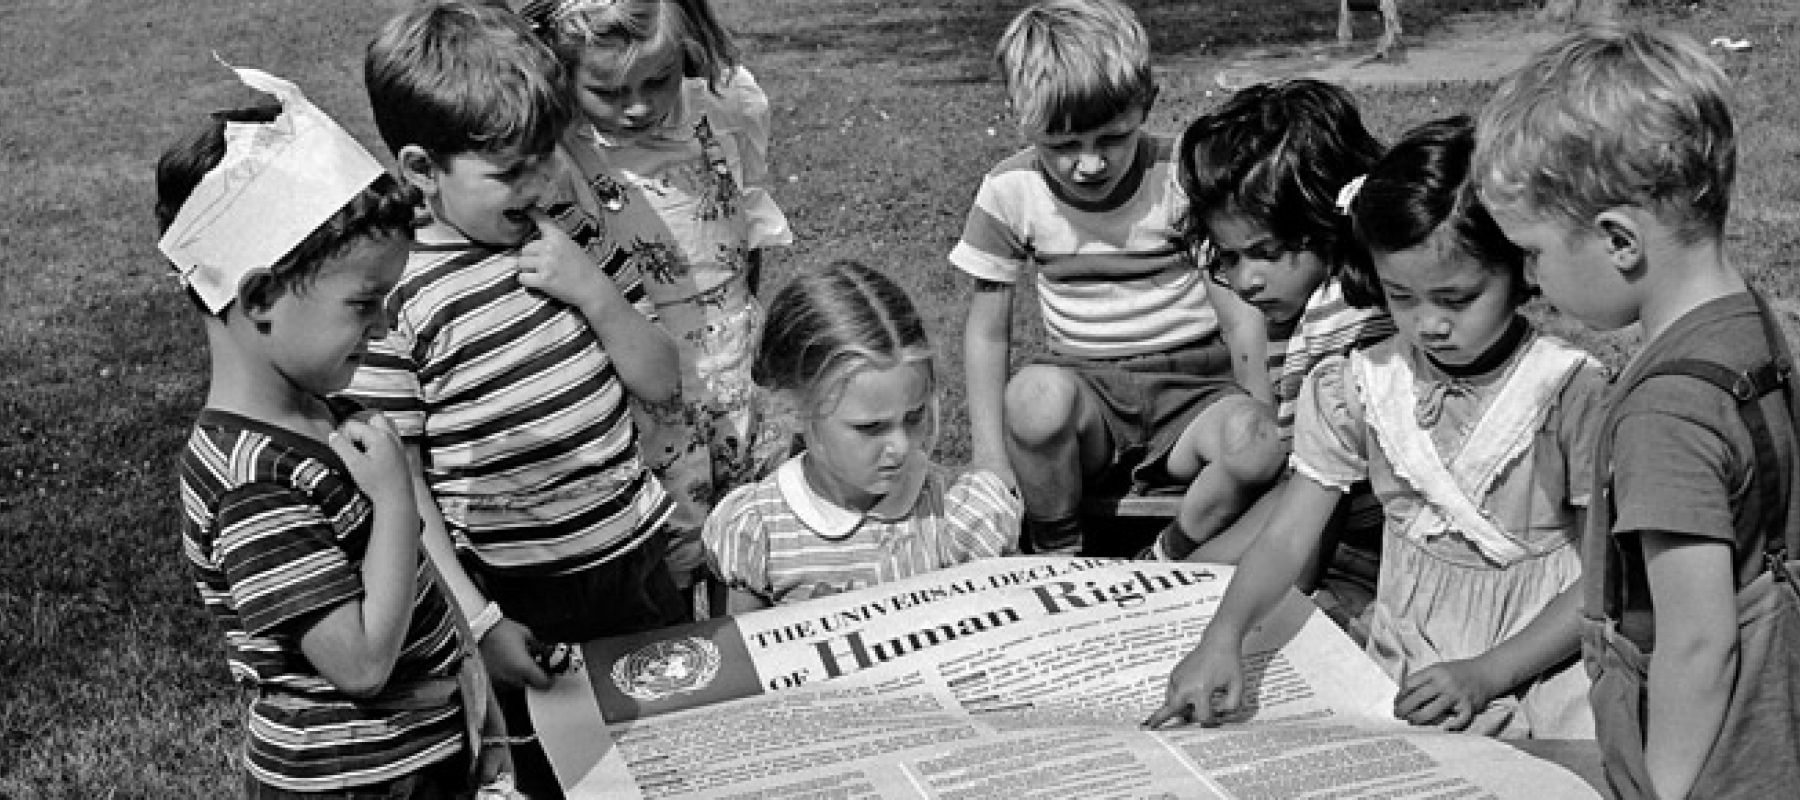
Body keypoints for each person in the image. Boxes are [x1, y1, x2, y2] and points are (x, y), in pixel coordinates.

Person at [1147, 116, 1606, 740]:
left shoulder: (1566, 393)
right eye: (1402, 297)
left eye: (1457, 298)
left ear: (1519, 269)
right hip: (1409, 652)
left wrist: (1486, 674)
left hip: (1548, 656)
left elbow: (1601, 574)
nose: (1429, 324)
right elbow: (1287, 537)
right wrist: (1222, 637)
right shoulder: (1359, 387)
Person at [349, 3, 685, 796]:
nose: (540, 182)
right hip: (519, 592)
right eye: (509, 171)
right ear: (421, 169)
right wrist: (480, 620)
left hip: (634, 560)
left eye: (545, 157)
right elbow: (403, 485)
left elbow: (662, 380)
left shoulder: (568, 232)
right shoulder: (391, 293)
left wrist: (596, 294)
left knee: (680, 759)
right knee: (558, 780)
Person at [160, 66, 510, 797]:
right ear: (259, 297)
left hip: (413, 759)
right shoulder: (252, 479)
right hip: (355, 781)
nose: (383, 326)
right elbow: (359, 662)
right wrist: (394, 504)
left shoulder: (320, 410)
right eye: (364, 304)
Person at [1476, 26, 1800, 798]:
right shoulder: (1750, 324)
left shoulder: (1666, 414)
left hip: (1708, 769)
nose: (1527, 276)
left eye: (1533, 252)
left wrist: (1664, 791)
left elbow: (1697, 641)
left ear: (1619, 240)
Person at [955, 0, 1282, 558]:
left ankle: (1171, 555)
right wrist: (990, 456)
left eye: (1111, 138)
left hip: (1195, 393)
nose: (1089, 164)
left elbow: (1236, 310)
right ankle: (1058, 553)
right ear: (1018, 115)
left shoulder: (1180, 174)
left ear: (1146, 104)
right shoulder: (1010, 191)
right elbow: (987, 333)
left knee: (1253, 443)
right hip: (1092, 402)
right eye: (1062, 147)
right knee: (1033, 398)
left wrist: (1261, 404)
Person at [521, 0, 797, 594]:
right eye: (609, 91)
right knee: (672, 555)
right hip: (646, 393)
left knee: (752, 538)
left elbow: (743, 234)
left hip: (738, 372)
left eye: (657, 80)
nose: (639, 106)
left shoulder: (725, 112)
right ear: (564, 75)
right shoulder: (563, 155)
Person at [1155, 79, 1396, 586]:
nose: (1246, 281)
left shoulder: (1342, 322)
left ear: (1326, 223)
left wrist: (1188, 578)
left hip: (1370, 553)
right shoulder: (1304, 306)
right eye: (1229, 259)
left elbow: (1314, 507)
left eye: (1265, 253)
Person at [703, 262, 1021, 610]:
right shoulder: (759, 531)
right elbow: (748, 655)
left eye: (913, 417)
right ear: (791, 410)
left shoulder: (953, 515)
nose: (901, 447)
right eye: (870, 427)